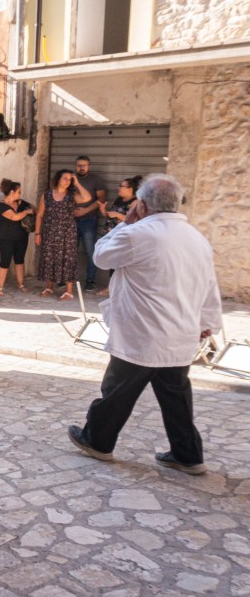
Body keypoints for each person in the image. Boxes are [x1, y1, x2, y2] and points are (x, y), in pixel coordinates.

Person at [67, 175, 222, 476]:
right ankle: (188, 455)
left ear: (142, 204)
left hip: (143, 332)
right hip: (179, 332)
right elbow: (209, 284)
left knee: (117, 391)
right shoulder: (196, 238)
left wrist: (126, 222)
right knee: (176, 397)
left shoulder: (139, 233)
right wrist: (207, 322)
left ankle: (97, 441)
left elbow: (100, 256)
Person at [35, 169, 92, 301]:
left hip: (67, 233)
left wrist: (77, 183)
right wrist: (37, 233)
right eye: (65, 178)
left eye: (70, 179)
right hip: (49, 232)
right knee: (48, 258)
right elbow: (39, 214)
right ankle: (49, 286)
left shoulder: (71, 195)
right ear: (58, 179)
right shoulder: (47, 195)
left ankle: (68, 291)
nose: (68, 181)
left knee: (68, 259)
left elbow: (87, 197)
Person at [72, 156, 108, 291]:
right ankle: (67, 279)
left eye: (84, 165)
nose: (81, 168)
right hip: (71, 220)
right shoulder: (70, 180)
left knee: (90, 251)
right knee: (70, 251)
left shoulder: (95, 180)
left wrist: (85, 210)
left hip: (89, 220)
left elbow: (102, 199)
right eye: (79, 165)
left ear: (89, 166)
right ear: (75, 166)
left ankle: (90, 281)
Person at [0, 179, 34, 296]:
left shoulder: (21, 203)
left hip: (21, 237)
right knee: (5, 262)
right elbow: (15, 217)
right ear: (12, 192)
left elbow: (34, 208)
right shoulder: (1, 206)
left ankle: (21, 284)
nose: (19, 194)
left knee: (20, 260)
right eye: (18, 192)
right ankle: (0, 287)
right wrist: (27, 212)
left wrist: (30, 210)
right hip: (6, 238)